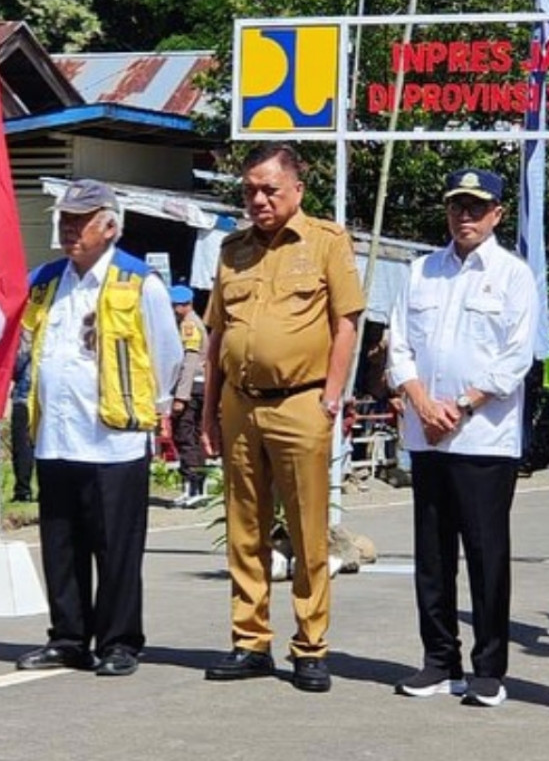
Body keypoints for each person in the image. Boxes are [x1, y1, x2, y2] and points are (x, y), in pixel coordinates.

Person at [202, 143, 364, 693]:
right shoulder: (232, 249)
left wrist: (331, 398)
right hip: (239, 404)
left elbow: (347, 322)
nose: (258, 198)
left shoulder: (324, 243)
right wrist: (208, 410)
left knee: (306, 531)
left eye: (269, 188)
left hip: (302, 402)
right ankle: (250, 642)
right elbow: (217, 334)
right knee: (244, 530)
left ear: (297, 190)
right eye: (250, 189)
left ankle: (310, 645)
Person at [15, 178, 181, 677]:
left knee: (116, 548)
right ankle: (67, 636)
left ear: (110, 226)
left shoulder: (139, 282)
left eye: (80, 220)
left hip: (113, 438)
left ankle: (119, 641)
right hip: (57, 435)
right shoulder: (45, 280)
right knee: (61, 544)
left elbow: (167, 355)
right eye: (64, 219)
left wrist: (150, 411)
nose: (69, 229)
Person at [385, 168, 538, 707]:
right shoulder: (421, 271)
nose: (465, 216)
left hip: (483, 439)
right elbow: (397, 342)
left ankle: (489, 668)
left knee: (485, 554)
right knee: (433, 555)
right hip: (427, 434)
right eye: (457, 206)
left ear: (497, 213)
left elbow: (517, 356)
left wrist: (464, 404)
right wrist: (421, 400)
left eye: (477, 207)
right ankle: (438, 659)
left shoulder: (513, 274)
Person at [168, 284, 208, 508]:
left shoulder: (189, 325)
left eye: (176, 305)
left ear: (186, 305)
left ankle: (196, 487)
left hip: (192, 388)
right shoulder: (186, 322)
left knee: (187, 435)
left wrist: (181, 397)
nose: (173, 309)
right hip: (195, 387)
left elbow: (190, 362)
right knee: (188, 437)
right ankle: (189, 487)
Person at [9, 332, 34, 503]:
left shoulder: (26, 328)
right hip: (48, 397)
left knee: (22, 447)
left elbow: (17, 364)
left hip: (25, 397)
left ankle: (23, 490)